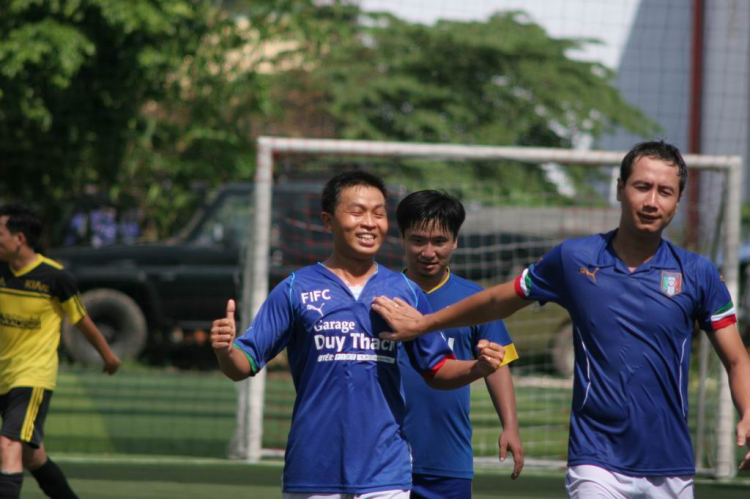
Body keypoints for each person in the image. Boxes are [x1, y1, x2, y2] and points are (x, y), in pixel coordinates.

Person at [373, 141, 750, 498]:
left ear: (678, 200)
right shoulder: (573, 259)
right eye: (642, 187)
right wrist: (425, 323)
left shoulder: (699, 273)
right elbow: (495, 301)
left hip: (672, 464)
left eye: (664, 191)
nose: (652, 201)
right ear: (619, 189)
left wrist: (749, 411)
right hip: (595, 459)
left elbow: (736, 358)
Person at [210, 171, 507, 498]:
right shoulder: (295, 289)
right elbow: (242, 365)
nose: (369, 222)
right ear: (328, 220)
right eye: (357, 212)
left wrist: (477, 368)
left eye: (378, 214)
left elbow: (437, 370)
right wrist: (225, 351)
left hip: (386, 471)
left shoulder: (405, 292)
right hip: (313, 468)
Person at [396, 190, 524, 499]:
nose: (428, 252)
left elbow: (497, 363)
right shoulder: (383, 296)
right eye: (418, 240)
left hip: (447, 458)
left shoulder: (475, 300)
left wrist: (510, 426)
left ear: (455, 241)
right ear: (401, 238)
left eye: (439, 241)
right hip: (384, 457)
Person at [0, 204, 122, 499]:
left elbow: (82, 320)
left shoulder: (55, 278)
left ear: (19, 238)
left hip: (32, 377)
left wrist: (108, 356)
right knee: (33, 457)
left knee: (8, 445)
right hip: (4, 373)